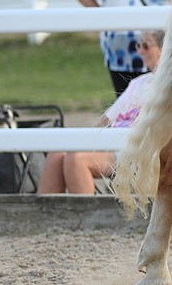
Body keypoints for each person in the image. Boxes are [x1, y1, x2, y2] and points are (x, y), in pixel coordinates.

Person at [37, 30, 164, 194]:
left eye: (146, 46)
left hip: (140, 153)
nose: (140, 51)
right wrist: (82, 141)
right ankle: (43, 217)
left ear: (164, 49)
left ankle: (87, 218)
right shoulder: (138, 83)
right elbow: (105, 120)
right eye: (139, 45)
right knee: (57, 153)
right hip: (114, 147)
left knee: (76, 160)